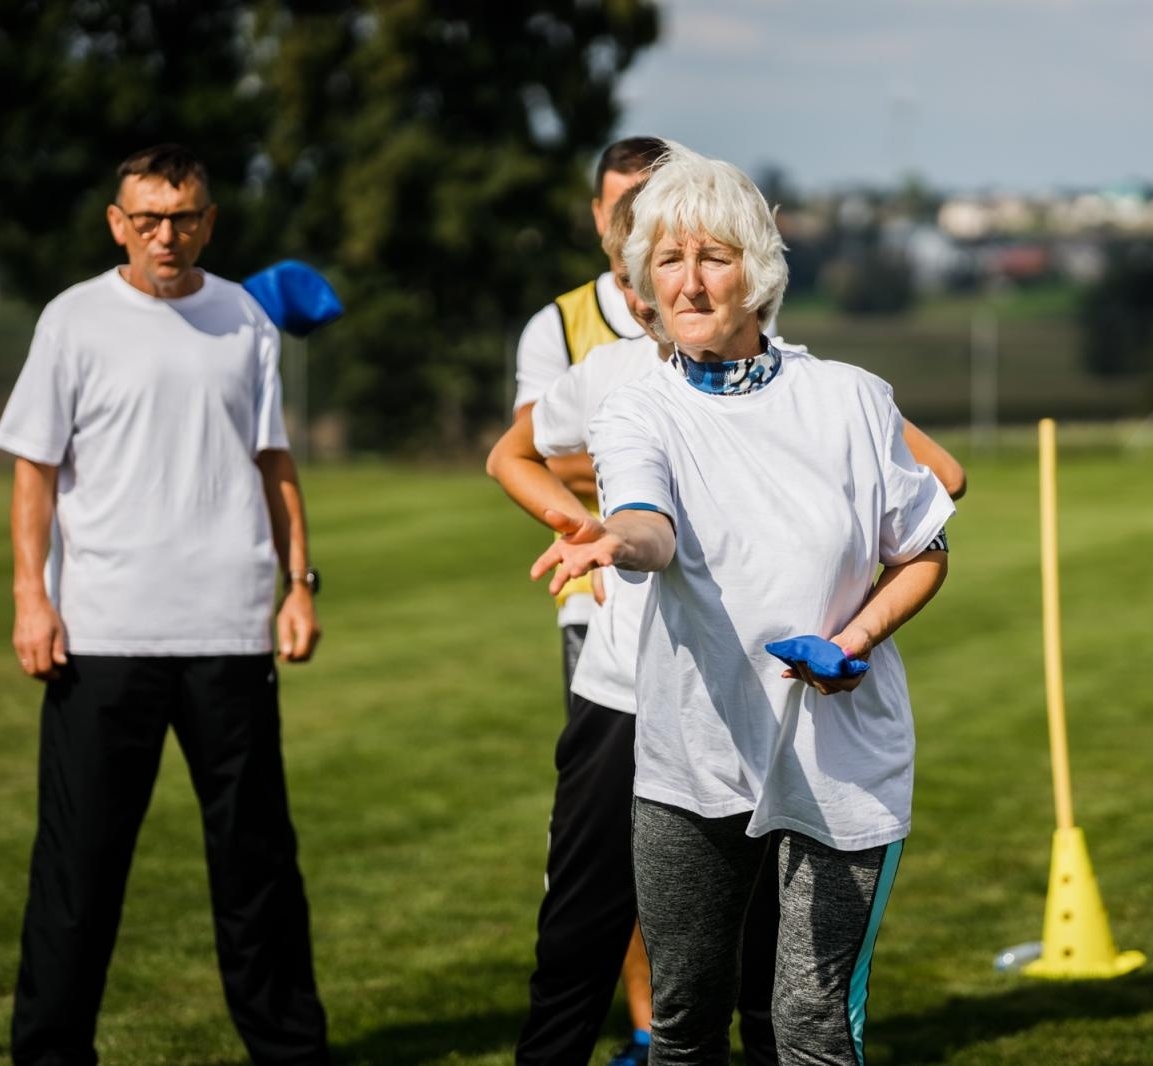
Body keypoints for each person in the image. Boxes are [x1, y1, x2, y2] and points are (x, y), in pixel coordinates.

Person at [531, 143, 954, 1066]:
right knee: (685, 1025)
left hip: (842, 760)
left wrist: (855, 639)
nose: (688, 281)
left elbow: (924, 550)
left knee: (808, 1026)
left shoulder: (851, 399)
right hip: (693, 758)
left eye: (713, 257)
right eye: (668, 260)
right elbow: (648, 524)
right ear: (644, 281)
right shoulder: (636, 409)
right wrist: (615, 540)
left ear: (755, 273)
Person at [0, 144, 329, 1066]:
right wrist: (31, 598)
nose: (165, 235)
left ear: (208, 223)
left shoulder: (245, 319)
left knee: (257, 867)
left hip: (229, 632)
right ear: (118, 224)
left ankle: (291, 1053)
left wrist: (298, 585)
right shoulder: (72, 320)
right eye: (147, 219)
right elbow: (35, 471)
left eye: (182, 218)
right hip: (102, 635)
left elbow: (273, 460)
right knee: (79, 868)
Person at [508, 135, 666, 1066]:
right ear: (600, 218)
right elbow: (536, 451)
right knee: (608, 843)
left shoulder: (723, 308)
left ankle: (665, 1030)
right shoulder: (566, 330)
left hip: (700, 614)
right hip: (598, 606)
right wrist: (590, 524)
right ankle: (642, 1026)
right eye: (623, 205)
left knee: (699, 843)